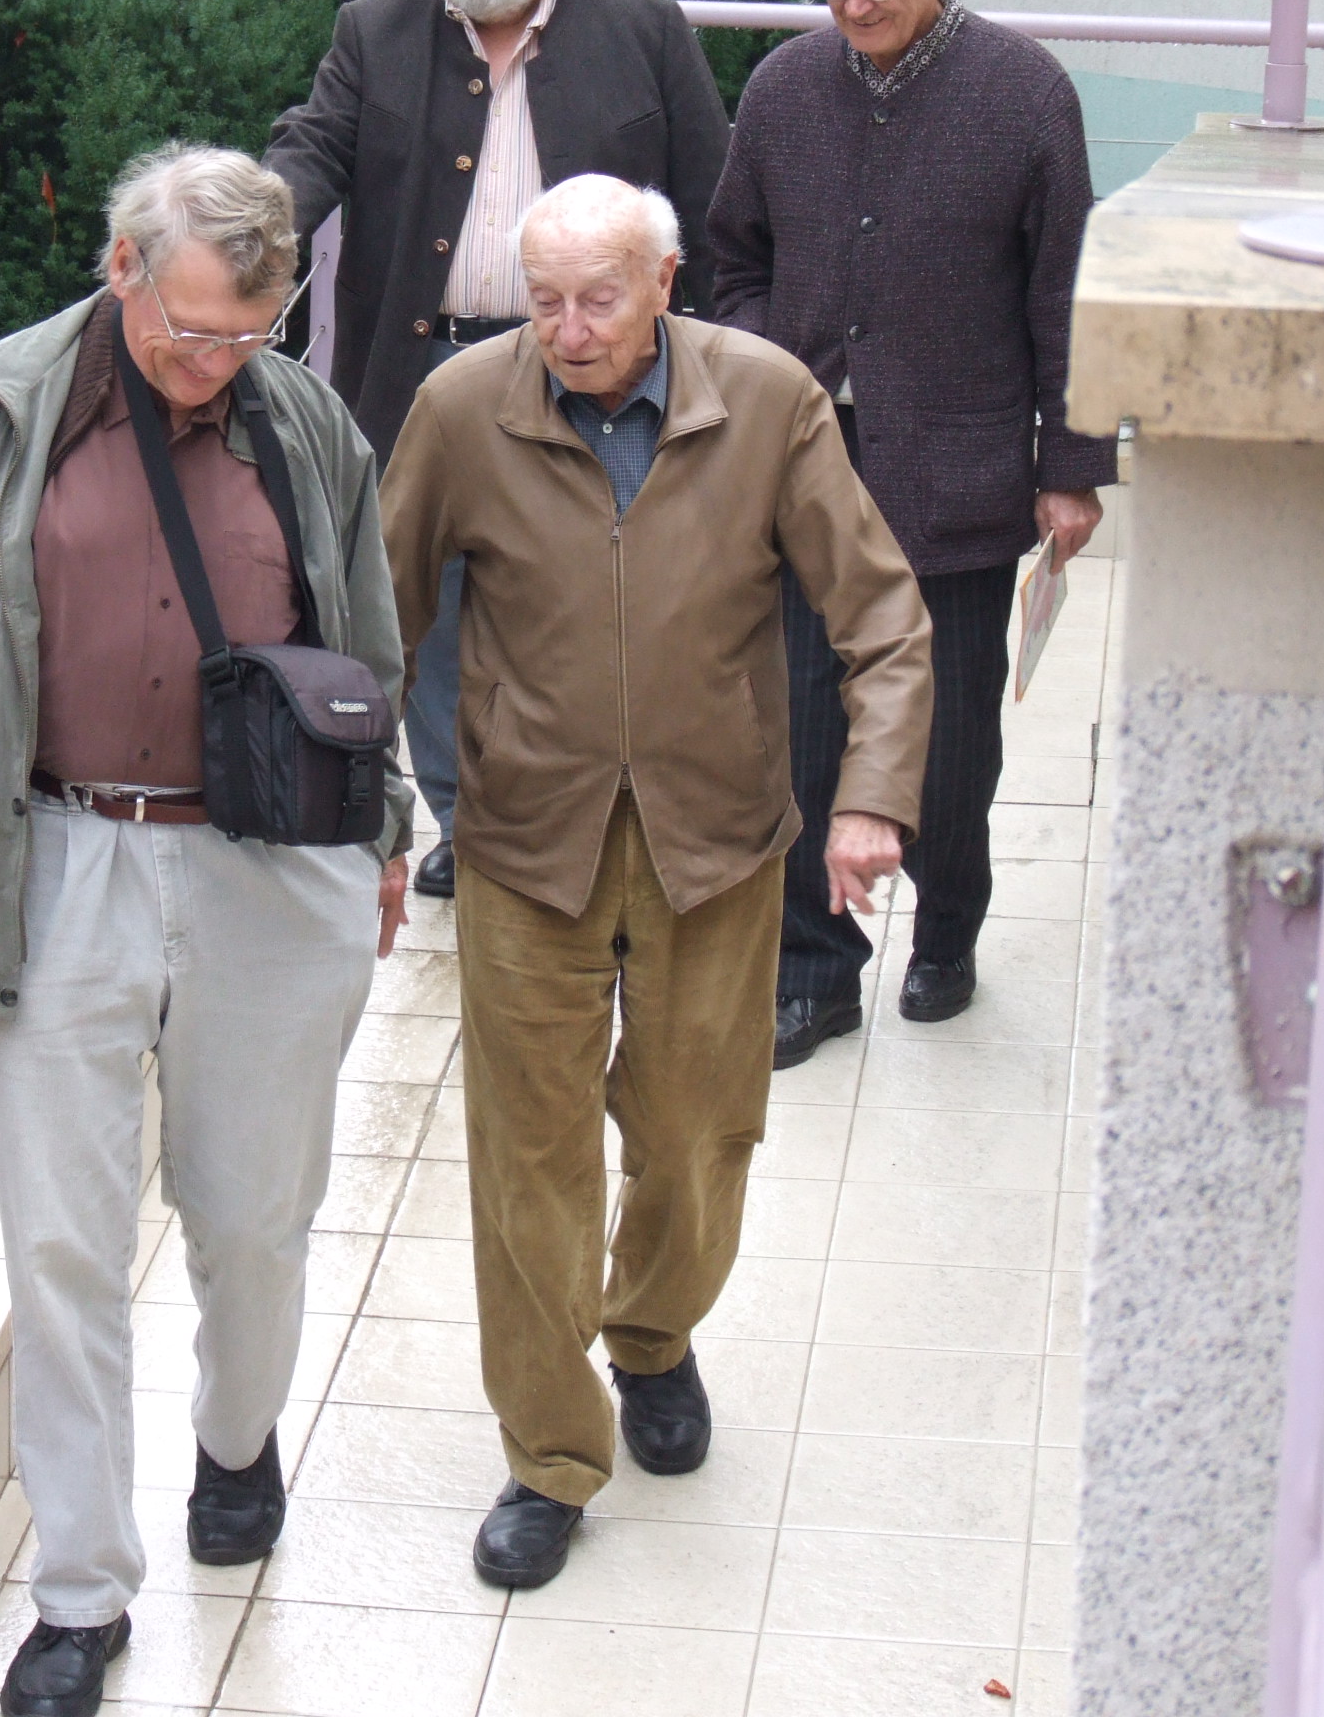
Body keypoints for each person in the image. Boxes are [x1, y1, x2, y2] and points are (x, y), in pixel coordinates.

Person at [0, 145, 413, 1717]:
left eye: (248, 333)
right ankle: (79, 1592)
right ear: (122, 269)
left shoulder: (300, 418)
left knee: (254, 1217)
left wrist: (384, 821)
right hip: (56, 858)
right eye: (190, 329)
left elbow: (364, 639)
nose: (215, 362)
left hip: (271, 869)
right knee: (62, 1244)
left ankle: (238, 1440)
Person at [383, 174, 931, 1588]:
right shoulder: (462, 409)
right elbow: (378, 615)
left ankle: (652, 1331)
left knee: (698, 1134)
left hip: (716, 840)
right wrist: (368, 816)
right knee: (530, 1159)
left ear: (666, 282)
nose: (568, 331)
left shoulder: (769, 401)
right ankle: (550, 1455)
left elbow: (881, 615)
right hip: (527, 842)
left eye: (599, 300)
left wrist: (872, 799)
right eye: (543, 302)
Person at [266, 0, 730, 903]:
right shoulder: (374, 32)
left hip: (592, 372)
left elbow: (715, 200)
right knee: (421, 606)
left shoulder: (644, 32)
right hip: (423, 377)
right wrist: (242, 235)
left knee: (587, 599)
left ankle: (587, 807)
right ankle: (467, 820)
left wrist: (716, 357)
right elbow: (308, 151)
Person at [706, 0, 1115, 1068]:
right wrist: (767, 368)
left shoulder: (1027, 94)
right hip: (805, 467)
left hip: (960, 469)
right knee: (801, 728)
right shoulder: (782, 88)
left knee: (950, 739)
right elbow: (735, 260)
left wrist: (1070, 464)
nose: (853, 6)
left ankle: (946, 932)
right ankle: (813, 972)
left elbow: (1065, 294)